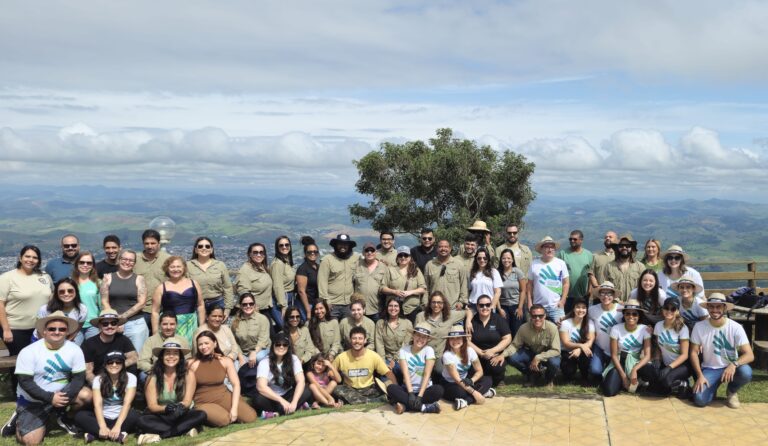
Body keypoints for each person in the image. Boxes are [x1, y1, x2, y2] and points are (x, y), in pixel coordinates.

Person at [9, 312, 89, 444]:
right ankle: (19, 418)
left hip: (61, 395)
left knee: (86, 395)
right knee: (30, 441)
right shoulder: (29, 351)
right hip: (33, 401)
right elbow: (25, 382)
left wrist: (63, 398)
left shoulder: (75, 349)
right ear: (44, 331)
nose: (57, 332)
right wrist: (50, 398)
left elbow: (79, 378)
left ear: (67, 332)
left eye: (62, 329)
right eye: (52, 329)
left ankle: (62, 416)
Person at [690, 293, 754, 408]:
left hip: (732, 367)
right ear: (707, 308)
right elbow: (693, 352)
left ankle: (732, 391)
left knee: (746, 372)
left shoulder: (736, 327)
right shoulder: (699, 326)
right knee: (699, 400)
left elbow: (750, 355)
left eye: (718, 306)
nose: (715, 310)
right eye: (712, 306)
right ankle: (712, 389)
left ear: (724, 308)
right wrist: (700, 375)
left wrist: (734, 364)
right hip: (710, 368)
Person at [136, 339, 206, 443]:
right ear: (162, 356)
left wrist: (180, 407)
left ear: (180, 357)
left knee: (201, 414)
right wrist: (166, 408)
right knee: (141, 421)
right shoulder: (153, 377)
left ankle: (161, 435)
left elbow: (187, 401)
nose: (171, 357)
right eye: (167, 353)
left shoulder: (188, 374)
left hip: (180, 413)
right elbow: (152, 406)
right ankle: (184, 430)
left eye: (175, 353)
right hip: (161, 415)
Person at [0, 245, 53, 368]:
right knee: (23, 363)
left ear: (39, 260)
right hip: (16, 329)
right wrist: (6, 329)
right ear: (20, 258)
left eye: (35, 257)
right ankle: (17, 387)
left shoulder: (44, 276)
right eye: (27, 256)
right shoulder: (7, 278)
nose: (30, 260)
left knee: (40, 362)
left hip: (40, 329)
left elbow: (52, 297)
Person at [189, 331, 257, 426]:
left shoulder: (225, 361)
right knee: (224, 420)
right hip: (203, 401)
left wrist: (234, 408)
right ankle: (202, 414)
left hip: (223, 396)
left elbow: (236, 384)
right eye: (200, 344)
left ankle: (225, 410)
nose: (203, 347)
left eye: (206, 343)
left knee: (250, 417)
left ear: (215, 343)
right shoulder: (192, 363)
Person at [73, 351, 139, 443]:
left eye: (118, 362)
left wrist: (117, 426)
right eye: (110, 362)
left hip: (121, 416)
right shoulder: (98, 379)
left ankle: (94, 434)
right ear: (105, 365)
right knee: (80, 416)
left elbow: (127, 404)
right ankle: (118, 435)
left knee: (135, 416)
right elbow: (97, 405)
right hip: (102, 416)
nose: (114, 365)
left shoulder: (131, 378)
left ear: (123, 364)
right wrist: (102, 426)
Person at [250, 333, 312, 419]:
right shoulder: (264, 362)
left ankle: (277, 413)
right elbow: (261, 387)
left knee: (306, 390)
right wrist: (282, 401)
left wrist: (294, 402)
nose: (281, 347)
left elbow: (301, 381)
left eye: (285, 344)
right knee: (257, 399)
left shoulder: (294, 359)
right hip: (272, 397)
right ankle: (294, 408)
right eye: (278, 344)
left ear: (288, 347)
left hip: (288, 394)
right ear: (273, 346)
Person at [386, 322, 443, 414]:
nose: (420, 339)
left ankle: (405, 406)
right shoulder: (404, 350)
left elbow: (427, 374)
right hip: (408, 389)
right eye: (418, 335)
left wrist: (419, 396)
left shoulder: (429, 350)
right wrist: (411, 393)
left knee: (439, 390)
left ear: (428, 339)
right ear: (413, 335)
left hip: (424, 390)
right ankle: (424, 407)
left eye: (424, 337)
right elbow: (406, 374)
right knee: (391, 388)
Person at [601, 299, 654, 397]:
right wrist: (624, 377)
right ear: (624, 315)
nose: (631, 316)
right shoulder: (616, 328)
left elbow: (647, 356)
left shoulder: (645, 329)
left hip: (635, 361)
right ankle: (624, 381)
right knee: (609, 392)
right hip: (620, 361)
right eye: (628, 313)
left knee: (650, 369)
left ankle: (640, 380)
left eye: (635, 314)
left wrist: (634, 370)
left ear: (639, 316)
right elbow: (614, 355)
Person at [332, 326, 397, 405]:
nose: (357, 341)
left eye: (360, 338)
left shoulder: (373, 355)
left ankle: (351, 400)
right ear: (350, 340)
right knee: (336, 389)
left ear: (365, 340)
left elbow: (388, 373)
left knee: (383, 387)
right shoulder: (341, 357)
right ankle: (376, 400)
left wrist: (396, 389)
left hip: (369, 389)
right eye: (354, 338)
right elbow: (330, 372)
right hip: (350, 389)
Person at [100, 249, 149, 352]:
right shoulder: (108, 278)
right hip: (112, 324)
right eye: (124, 259)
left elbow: (141, 303)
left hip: (135, 324)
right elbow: (104, 301)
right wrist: (115, 321)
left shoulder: (139, 279)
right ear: (119, 260)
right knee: (114, 357)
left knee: (136, 356)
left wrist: (121, 319)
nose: (127, 262)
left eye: (131, 260)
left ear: (134, 263)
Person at [414, 291, 472, 377]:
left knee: (439, 371)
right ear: (429, 304)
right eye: (433, 302)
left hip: (440, 355)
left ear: (444, 304)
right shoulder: (420, 316)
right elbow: (415, 337)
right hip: (423, 353)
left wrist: (468, 321)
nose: (436, 305)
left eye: (439, 302)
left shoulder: (450, 315)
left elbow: (468, 312)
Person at [151, 256, 205, 346]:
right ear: (167, 269)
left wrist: (202, 326)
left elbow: (200, 305)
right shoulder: (161, 288)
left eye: (178, 267)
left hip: (191, 324)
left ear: (184, 268)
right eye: (172, 267)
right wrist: (155, 332)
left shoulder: (194, 284)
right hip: (170, 325)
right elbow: (155, 311)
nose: (175, 269)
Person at [505, 304, 561, 389]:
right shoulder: (523, 328)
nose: (537, 318)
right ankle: (532, 373)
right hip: (531, 353)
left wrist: (538, 357)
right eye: (534, 316)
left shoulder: (552, 328)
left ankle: (549, 379)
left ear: (545, 316)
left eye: (540, 316)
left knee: (554, 362)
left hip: (548, 355)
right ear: (530, 316)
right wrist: (502, 355)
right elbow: (514, 345)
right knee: (512, 358)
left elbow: (556, 350)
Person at [442, 325, 492, 410]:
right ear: (448, 340)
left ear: (463, 339)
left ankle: (466, 402)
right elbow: (457, 379)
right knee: (460, 393)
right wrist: (474, 392)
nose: (455, 341)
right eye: (452, 338)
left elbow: (480, 371)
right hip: (450, 383)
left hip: (466, 380)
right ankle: (482, 393)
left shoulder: (470, 351)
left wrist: (471, 380)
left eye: (458, 338)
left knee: (488, 380)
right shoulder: (447, 355)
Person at [82, 310, 138, 384]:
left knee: (133, 367)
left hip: (119, 376)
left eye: (113, 323)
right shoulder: (89, 344)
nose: (110, 326)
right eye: (105, 324)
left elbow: (134, 357)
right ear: (99, 326)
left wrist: (114, 367)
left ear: (117, 325)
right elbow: (88, 372)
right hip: (99, 378)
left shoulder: (123, 339)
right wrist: (98, 385)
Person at [649, 297, 691, 396]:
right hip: (665, 363)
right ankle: (675, 386)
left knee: (666, 381)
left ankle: (684, 385)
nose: (669, 311)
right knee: (653, 378)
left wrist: (669, 368)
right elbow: (657, 346)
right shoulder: (658, 325)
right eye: (666, 308)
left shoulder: (682, 328)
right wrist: (657, 359)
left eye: (673, 309)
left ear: (677, 311)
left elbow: (685, 355)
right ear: (663, 309)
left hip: (682, 365)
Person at [234, 243, 282, 329]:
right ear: (249, 254)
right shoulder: (245, 270)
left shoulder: (262, 267)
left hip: (266, 308)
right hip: (254, 312)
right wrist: (251, 310)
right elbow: (243, 292)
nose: (259, 254)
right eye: (255, 252)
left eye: (261, 252)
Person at [232, 293, 271, 393]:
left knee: (258, 358)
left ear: (254, 304)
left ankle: (265, 385)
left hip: (261, 350)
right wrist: (240, 357)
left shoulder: (262, 319)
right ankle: (237, 392)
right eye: (245, 304)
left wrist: (254, 352)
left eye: (251, 303)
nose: (248, 306)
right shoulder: (235, 321)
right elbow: (234, 342)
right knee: (235, 367)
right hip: (243, 353)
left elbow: (263, 340)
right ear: (240, 306)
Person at [468, 295, 511, 386]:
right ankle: (483, 378)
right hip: (476, 355)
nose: (485, 308)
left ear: (491, 305)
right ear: (477, 306)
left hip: (494, 355)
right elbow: (467, 341)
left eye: (487, 305)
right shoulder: (471, 321)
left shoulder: (498, 319)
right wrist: (481, 353)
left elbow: (507, 338)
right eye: (481, 305)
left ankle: (498, 379)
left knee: (496, 367)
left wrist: (492, 350)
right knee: (469, 372)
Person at [526, 236, 570, 323]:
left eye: (552, 247)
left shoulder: (561, 263)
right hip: (538, 307)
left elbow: (566, 283)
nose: (550, 249)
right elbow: (529, 285)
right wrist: (529, 302)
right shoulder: (534, 264)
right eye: (546, 247)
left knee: (560, 329)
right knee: (537, 332)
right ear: (541, 249)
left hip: (556, 306)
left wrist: (563, 300)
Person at [187, 236, 234, 316]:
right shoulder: (188, 266)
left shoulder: (220, 265)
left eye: (207, 246)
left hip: (217, 303)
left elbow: (228, 287)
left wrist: (228, 308)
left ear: (211, 250)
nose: (204, 248)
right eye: (200, 246)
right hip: (195, 305)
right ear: (196, 250)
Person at [32, 278, 87, 345]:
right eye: (62, 291)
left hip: (63, 340)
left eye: (70, 291)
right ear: (56, 294)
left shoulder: (82, 309)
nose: (66, 294)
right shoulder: (45, 309)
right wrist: (48, 346)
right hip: (41, 340)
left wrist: (65, 344)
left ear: (76, 291)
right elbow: (40, 331)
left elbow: (76, 330)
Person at [137, 312, 191, 382]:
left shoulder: (183, 340)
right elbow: (142, 362)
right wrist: (158, 370)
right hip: (157, 372)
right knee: (142, 375)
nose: (168, 327)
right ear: (159, 325)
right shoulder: (151, 340)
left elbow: (188, 361)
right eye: (165, 324)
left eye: (172, 324)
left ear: (176, 325)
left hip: (177, 372)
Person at [587, 281, 624, 384]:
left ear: (613, 296)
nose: (606, 296)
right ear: (599, 295)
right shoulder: (592, 310)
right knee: (595, 370)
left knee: (613, 374)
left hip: (617, 348)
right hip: (599, 346)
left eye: (609, 293)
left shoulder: (621, 309)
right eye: (602, 293)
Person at [133, 230, 170, 328]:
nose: (150, 246)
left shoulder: (168, 259)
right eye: (147, 243)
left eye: (153, 243)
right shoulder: (135, 259)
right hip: (140, 311)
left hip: (163, 310)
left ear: (159, 243)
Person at [380, 246, 427, 323]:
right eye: (400, 255)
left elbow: (423, 288)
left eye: (406, 255)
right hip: (393, 309)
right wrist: (394, 292)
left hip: (411, 309)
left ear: (410, 257)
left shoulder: (416, 271)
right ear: (397, 257)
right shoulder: (390, 270)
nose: (403, 257)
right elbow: (382, 288)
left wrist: (410, 292)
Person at [318, 234, 358, 320]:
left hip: (348, 303)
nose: (342, 246)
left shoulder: (355, 258)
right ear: (335, 245)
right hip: (332, 304)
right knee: (333, 330)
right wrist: (326, 301)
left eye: (345, 244)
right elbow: (322, 282)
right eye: (340, 244)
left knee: (346, 330)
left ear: (349, 246)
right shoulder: (327, 260)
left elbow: (369, 257)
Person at [595, 234, 645, 302]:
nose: (624, 247)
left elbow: (643, 288)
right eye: (621, 246)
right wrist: (618, 301)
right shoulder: (609, 266)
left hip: (633, 307)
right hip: (614, 306)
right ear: (617, 248)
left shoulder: (640, 267)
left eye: (627, 246)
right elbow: (605, 288)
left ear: (632, 248)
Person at [559, 298, 595, 384]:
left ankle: (584, 376)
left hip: (582, 350)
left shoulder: (590, 323)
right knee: (569, 371)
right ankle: (569, 374)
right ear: (573, 309)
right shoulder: (565, 323)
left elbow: (590, 341)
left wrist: (580, 349)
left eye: (584, 308)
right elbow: (566, 343)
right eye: (578, 307)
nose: (581, 310)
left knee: (587, 354)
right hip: (567, 350)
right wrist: (581, 345)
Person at [374, 296, 413, 377]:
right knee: (386, 379)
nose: (393, 308)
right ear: (387, 307)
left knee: (402, 373)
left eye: (396, 306)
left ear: (400, 308)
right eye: (390, 306)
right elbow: (379, 344)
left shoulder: (407, 323)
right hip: (386, 358)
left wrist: (395, 360)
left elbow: (406, 344)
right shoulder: (380, 323)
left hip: (402, 358)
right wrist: (383, 363)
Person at [424, 240, 468, 310]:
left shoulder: (459, 264)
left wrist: (461, 302)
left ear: (450, 249)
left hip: (453, 307)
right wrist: (425, 303)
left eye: (446, 247)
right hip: (434, 307)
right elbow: (425, 287)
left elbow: (464, 284)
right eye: (440, 247)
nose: (443, 249)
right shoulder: (430, 265)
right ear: (437, 249)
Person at [557, 230, 593, 312]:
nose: (572, 241)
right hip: (567, 296)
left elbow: (591, 274)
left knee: (581, 319)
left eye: (575, 239)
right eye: (570, 239)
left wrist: (589, 291)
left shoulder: (589, 255)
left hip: (583, 296)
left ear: (581, 240)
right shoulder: (562, 254)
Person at [353, 242, 387, 322]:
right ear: (363, 253)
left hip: (377, 309)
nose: (369, 252)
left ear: (376, 252)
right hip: (359, 309)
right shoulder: (356, 265)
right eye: (367, 250)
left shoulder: (383, 267)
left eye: (372, 250)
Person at [497, 248, 527, 337]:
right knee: (505, 332)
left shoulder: (518, 272)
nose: (506, 260)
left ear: (512, 259)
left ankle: (517, 350)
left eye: (509, 258)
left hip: (516, 306)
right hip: (503, 307)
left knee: (517, 331)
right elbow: (496, 292)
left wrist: (520, 307)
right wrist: (499, 309)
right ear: (501, 259)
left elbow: (523, 290)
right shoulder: (497, 273)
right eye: (504, 258)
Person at [73, 251, 102, 340]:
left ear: (93, 265)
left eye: (89, 263)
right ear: (77, 264)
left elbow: (102, 306)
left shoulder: (98, 283)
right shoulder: (70, 283)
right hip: (75, 325)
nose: (85, 265)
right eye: (82, 262)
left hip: (93, 325)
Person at [467, 248, 502, 313]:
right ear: (476, 259)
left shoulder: (494, 272)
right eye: (479, 258)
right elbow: (469, 290)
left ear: (488, 259)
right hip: (473, 305)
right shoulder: (472, 272)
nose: (482, 260)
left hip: (488, 306)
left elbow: (498, 292)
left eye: (484, 258)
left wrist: (492, 306)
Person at [270, 235, 295, 320]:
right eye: (281, 245)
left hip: (289, 297)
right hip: (282, 300)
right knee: (285, 326)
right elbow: (277, 286)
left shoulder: (287, 261)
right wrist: (283, 306)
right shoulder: (277, 264)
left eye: (287, 245)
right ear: (277, 248)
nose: (284, 247)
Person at [295, 237, 319, 320]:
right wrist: (308, 310)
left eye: (315, 252)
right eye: (310, 252)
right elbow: (301, 291)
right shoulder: (303, 269)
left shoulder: (318, 267)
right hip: (305, 304)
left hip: (315, 303)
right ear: (305, 254)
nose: (313, 253)